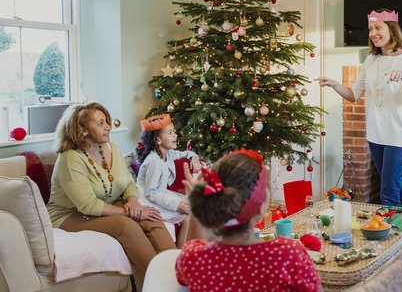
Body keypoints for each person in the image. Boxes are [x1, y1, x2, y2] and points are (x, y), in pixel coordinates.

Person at [47, 102, 176, 288]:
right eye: (100, 123)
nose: (108, 126)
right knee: (126, 225)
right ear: (82, 129)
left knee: (152, 217)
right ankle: (164, 285)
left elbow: (128, 184)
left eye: (106, 121)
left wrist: (134, 202)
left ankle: (181, 275)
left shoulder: (111, 147)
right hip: (68, 215)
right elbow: (89, 205)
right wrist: (131, 213)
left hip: (109, 204)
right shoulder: (70, 158)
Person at [316, 8, 402, 207]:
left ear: (392, 29)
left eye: (378, 27)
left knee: (388, 194)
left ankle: (388, 237)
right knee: (398, 187)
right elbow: (353, 95)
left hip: (400, 136)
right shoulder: (371, 60)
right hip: (376, 135)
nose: (373, 33)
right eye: (370, 29)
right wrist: (335, 84)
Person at [175, 148, 321, 291]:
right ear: (260, 209)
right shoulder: (289, 256)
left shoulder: (194, 259)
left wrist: (196, 209)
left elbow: (185, 272)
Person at [135, 113, 202, 248]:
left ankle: (191, 247)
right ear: (158, 140)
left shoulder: (169, 153)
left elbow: (186, 153)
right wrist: (176, 205)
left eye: (174, 131)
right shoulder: (154, 161)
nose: (175, 135)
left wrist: (194, 158)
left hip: (160, 193)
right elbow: (150, 193)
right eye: (170, 133)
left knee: (193, 207)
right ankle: (179, 252)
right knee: (187, 216)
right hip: (147, 199)